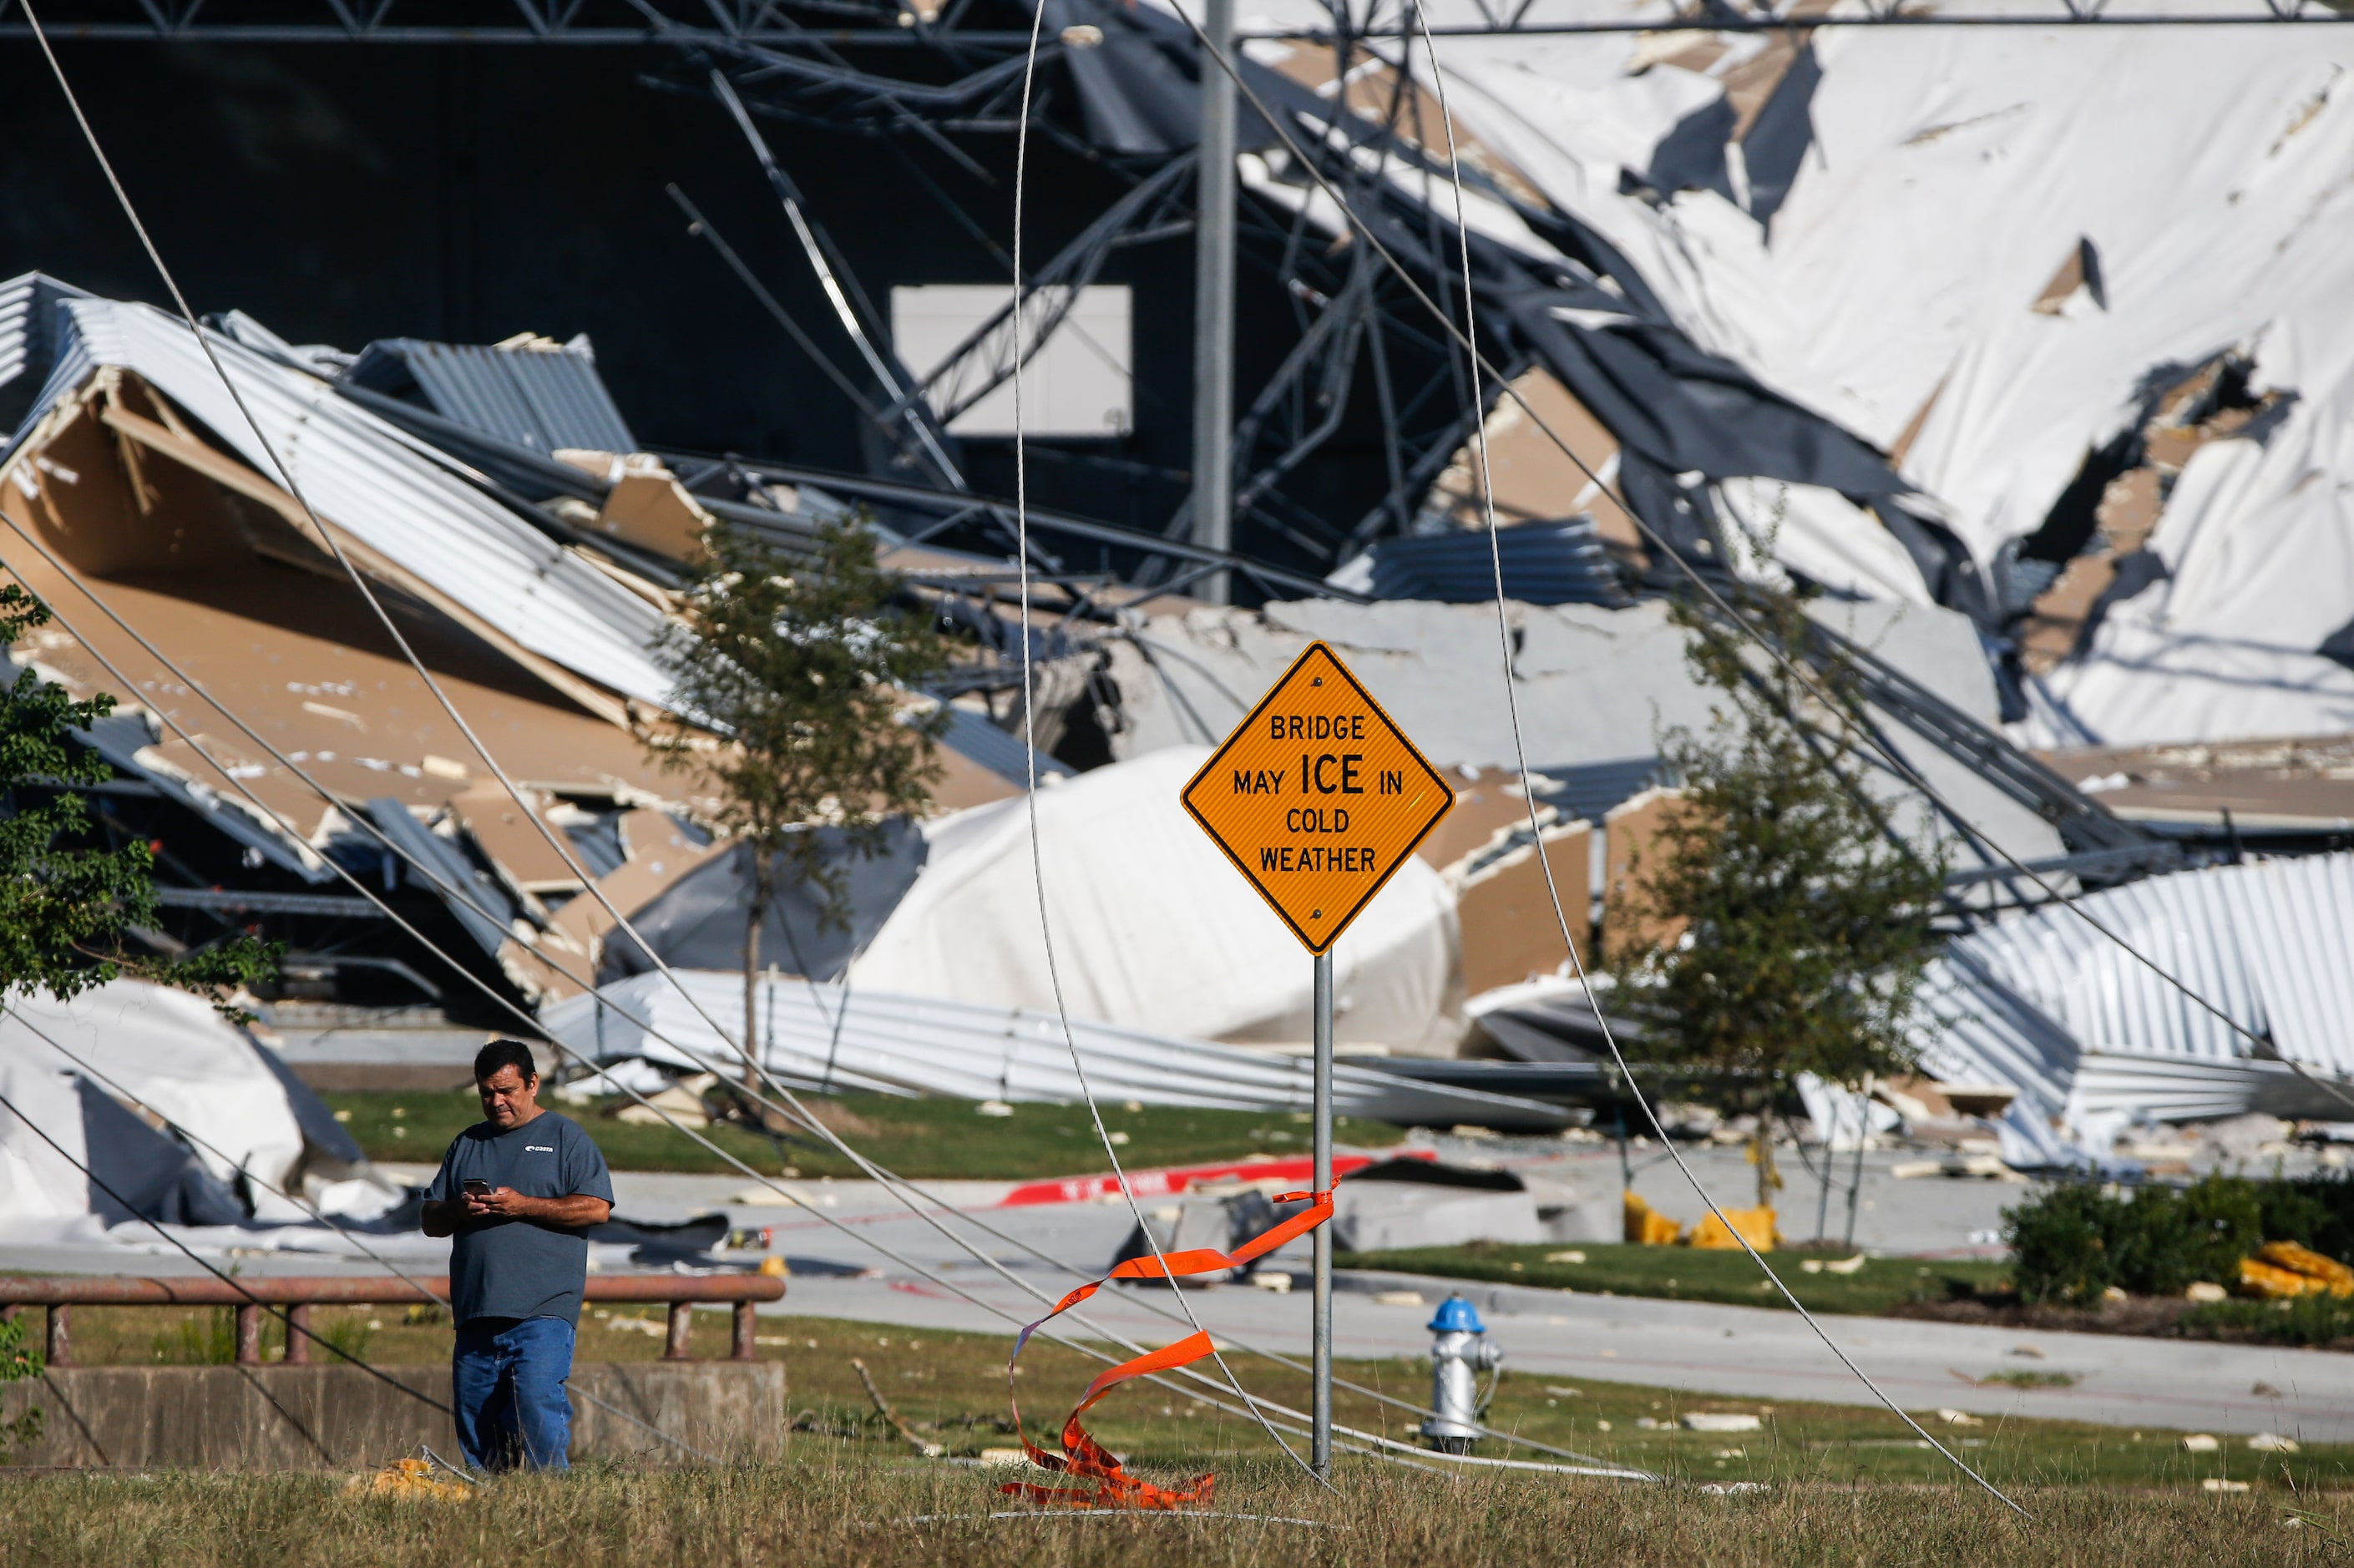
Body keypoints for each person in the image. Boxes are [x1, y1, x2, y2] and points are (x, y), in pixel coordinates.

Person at [423, 1039, 614, 1472]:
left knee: (534, 1404)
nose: (496, 1101)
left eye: (506, 1090)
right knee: (476, 1422)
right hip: (476, 1313)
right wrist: (459, 1208)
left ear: (532, 1084)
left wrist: (524, 1205)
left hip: (543, 1310)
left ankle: (552, 1499)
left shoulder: (566, 1138)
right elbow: (431, 1220)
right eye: (486, 1092)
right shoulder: (467, 1143)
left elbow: (596, 1208)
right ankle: (492, 1504)